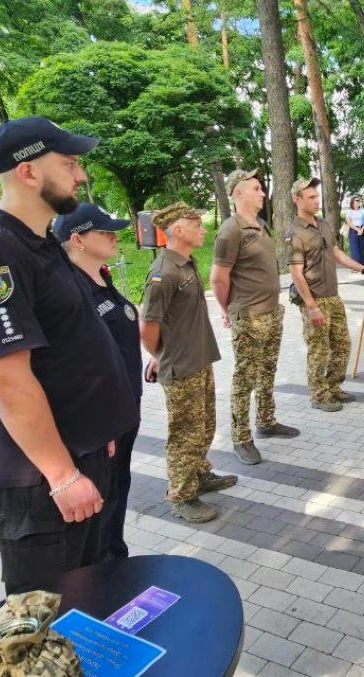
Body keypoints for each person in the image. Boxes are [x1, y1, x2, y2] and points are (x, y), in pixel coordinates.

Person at [0, 117, 139, 594]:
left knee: (91, 601)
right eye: (68, 163)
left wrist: (98, 432)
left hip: (80, 457)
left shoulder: (41, 243)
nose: (80, 175)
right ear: (28, 172)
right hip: (41, 483)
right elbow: (7, 381)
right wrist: (63, 474)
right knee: (47, 619)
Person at [53, 203, 142, 558]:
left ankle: (115, 560)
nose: (113, 235)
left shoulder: (101, 279)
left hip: (124, 412)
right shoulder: (73, 291)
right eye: (104, 231)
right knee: (102, 505)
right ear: (76, 239)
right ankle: (104, 572)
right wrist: (100, 421)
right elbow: (74, 365)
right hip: (101, 424)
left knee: (118, 492)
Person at [140, 202, 236, 523]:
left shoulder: (185, 263)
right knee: (184, 432)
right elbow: (147, 327)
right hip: (180, 368)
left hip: (199, 360)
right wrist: (160, 356)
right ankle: (181, 495)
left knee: (204, 425)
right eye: (196, 225)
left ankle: (199, 474)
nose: (202, 229)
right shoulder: (163, 272)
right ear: (178, 231)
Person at [211, 169, 300, 464]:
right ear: (239, 193)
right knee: (244, 378)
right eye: (256, 188)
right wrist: (229, 311)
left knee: (267, 372)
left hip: (272, 312)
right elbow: (218, 278)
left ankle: (266, 421)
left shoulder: (260, 225)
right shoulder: (230, 229)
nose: (263, 193)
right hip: (249, 316)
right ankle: (241, 437)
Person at [288, 178, 364, 411]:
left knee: (342, 343)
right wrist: (311, 305)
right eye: (311, 198)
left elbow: (337, 252)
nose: (317, 201)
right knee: (319, 349)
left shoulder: (323, 223)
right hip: (314, 299)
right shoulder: (295, 232)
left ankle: (334, 387)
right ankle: (318, 395)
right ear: (297, 200)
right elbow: (297, 274)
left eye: (317, 196)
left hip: (333, 295)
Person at [346, 196, 364, 267]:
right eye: (357, 200)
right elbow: (349, 222)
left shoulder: (362, 210)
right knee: (354, 249)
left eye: (359, 201)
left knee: (362, 248)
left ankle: (362, 265)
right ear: (353, 202)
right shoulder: (349, 211)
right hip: (353, 230)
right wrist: (357, 229)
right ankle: (355, 266)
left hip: (362, 229)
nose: (358, 202)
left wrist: (361, 229)